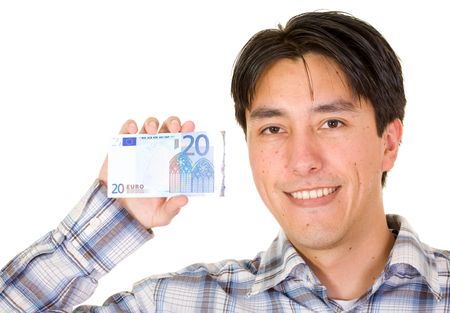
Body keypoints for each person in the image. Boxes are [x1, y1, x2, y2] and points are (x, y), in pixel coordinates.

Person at [0, 10, 449, 312]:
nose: (302, 160)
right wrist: (115, 219)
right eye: (273, 129)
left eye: (331, 123)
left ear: (389, 141)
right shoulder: (182, 302)